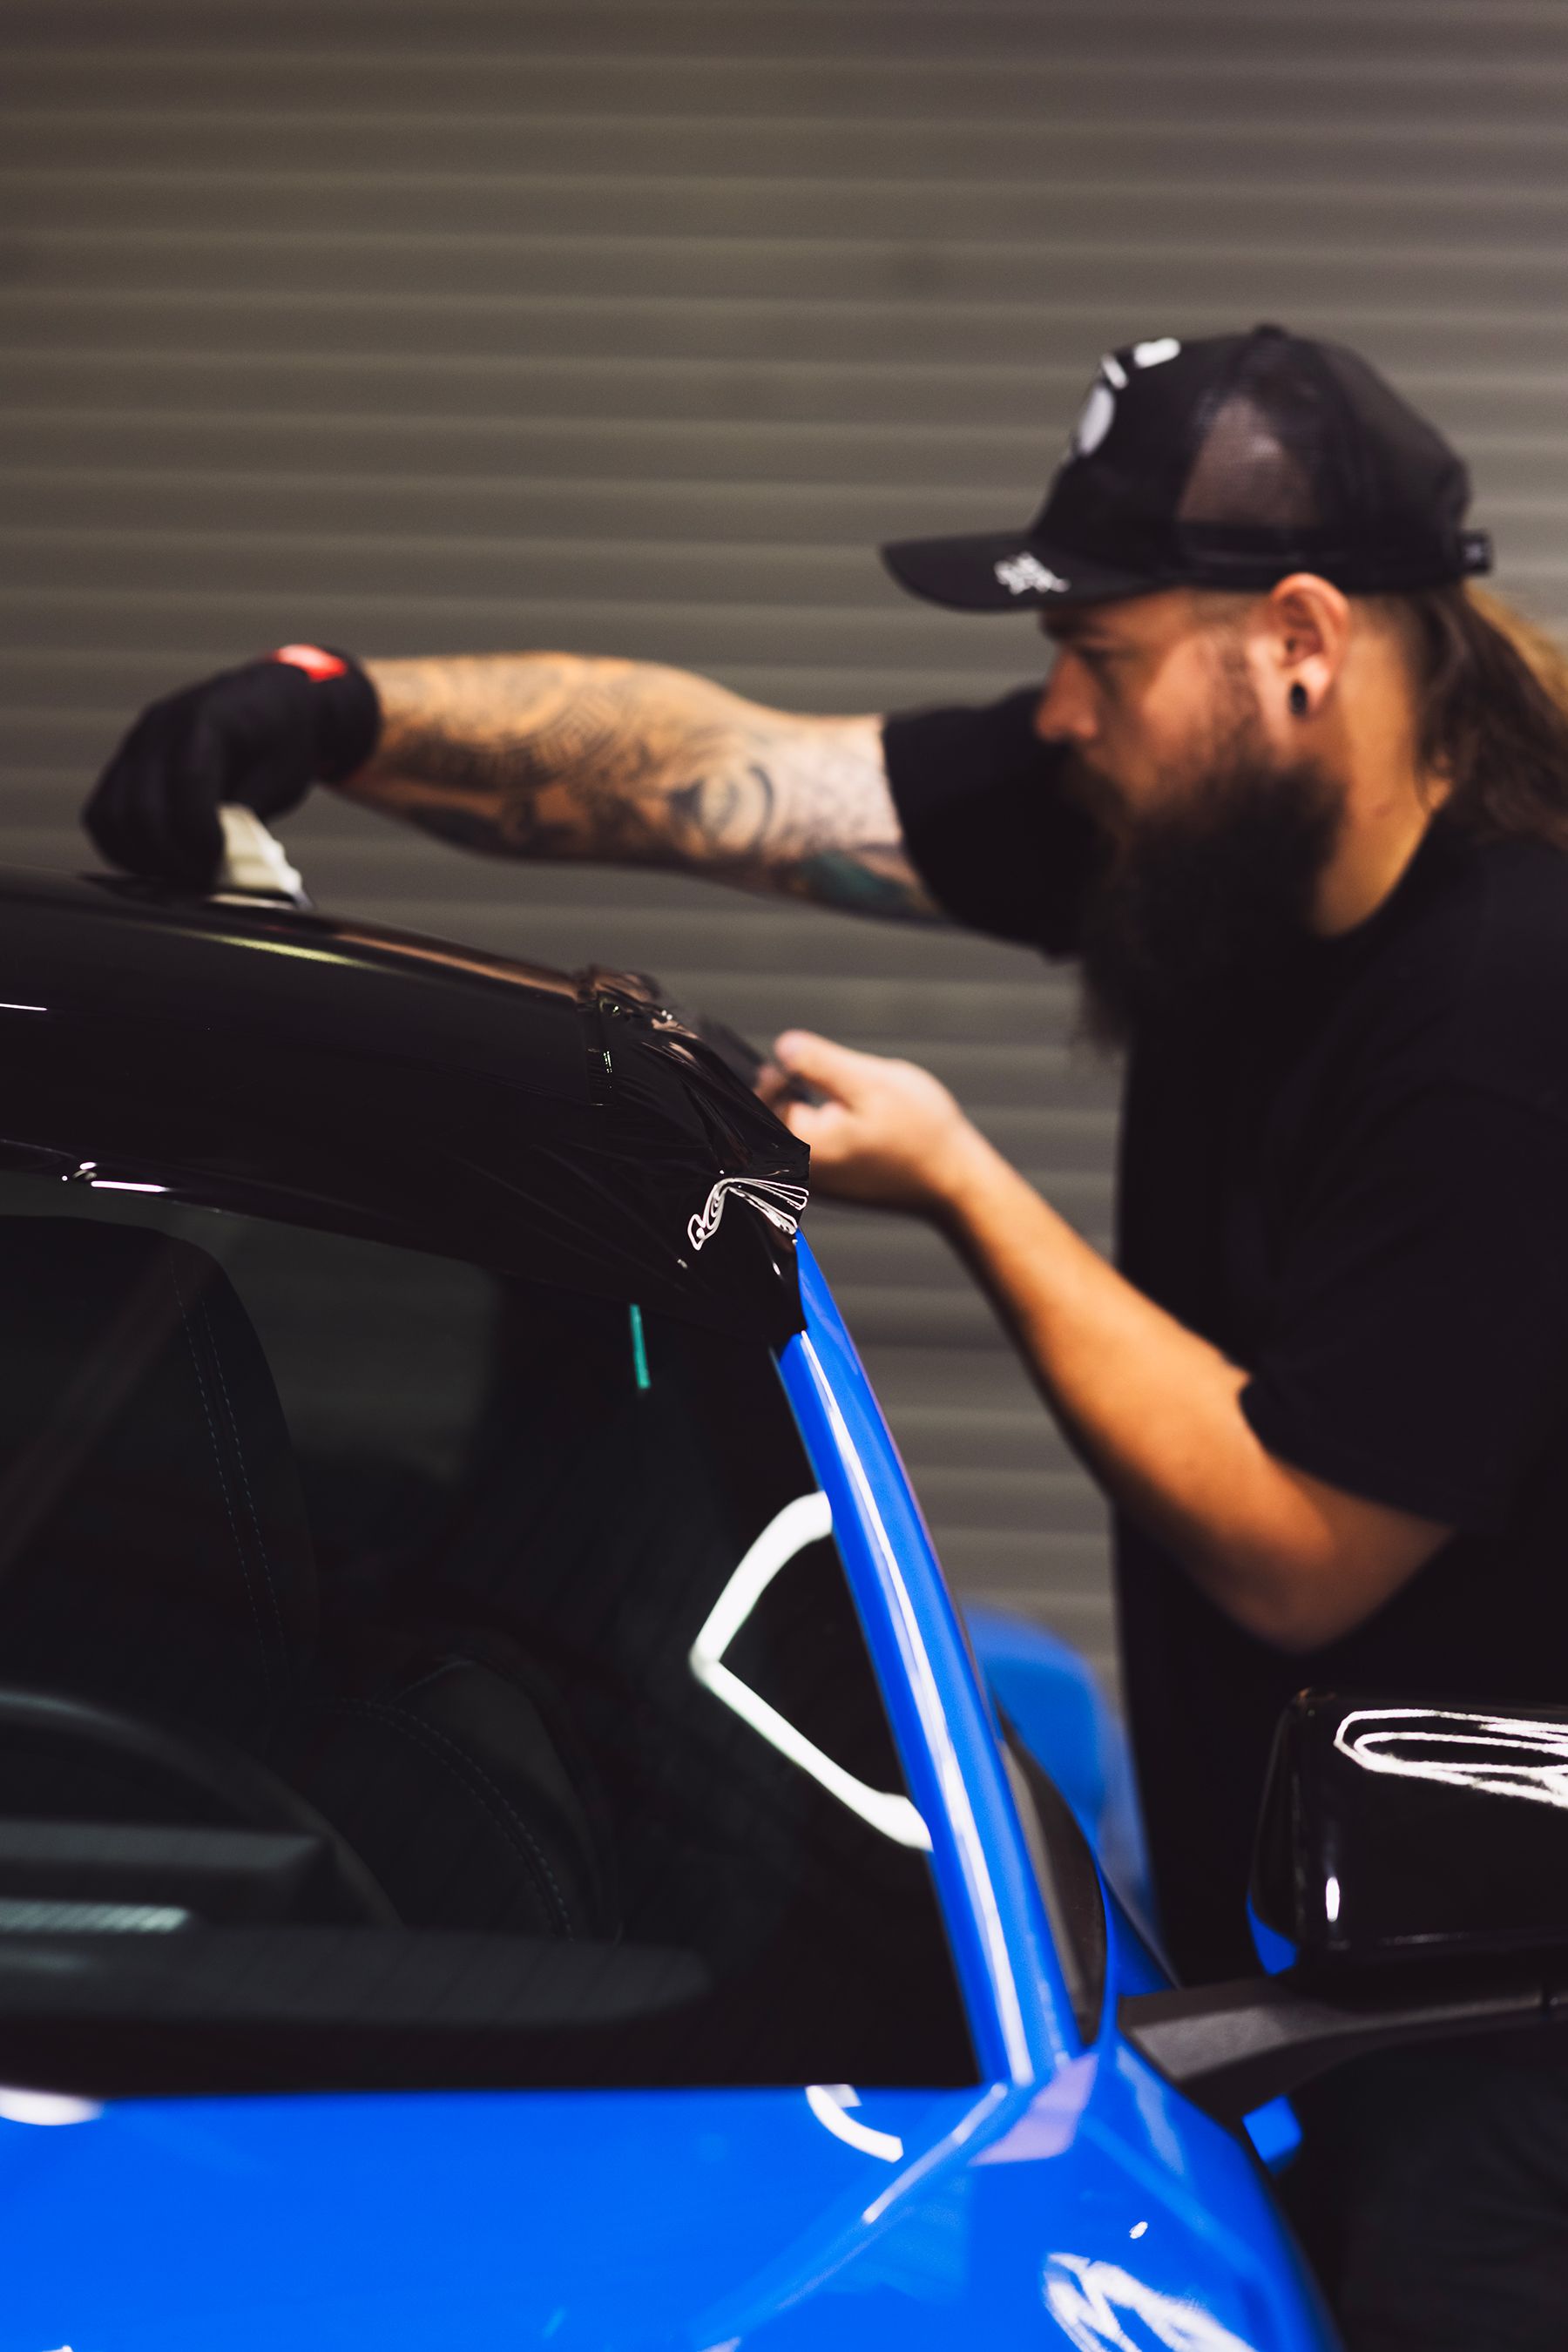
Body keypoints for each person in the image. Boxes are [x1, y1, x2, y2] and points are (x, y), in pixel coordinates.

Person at [86, 324, 1568, 2347]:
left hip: (1500, 2049)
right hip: (1314, 1991)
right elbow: (735, 782)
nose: (1054, 718)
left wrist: (967, 1181)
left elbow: (1305, 1544)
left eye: (1101, 656)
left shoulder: (1504, 1005)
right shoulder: (1202, 837)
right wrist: (336, 712)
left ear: (1295, 643)